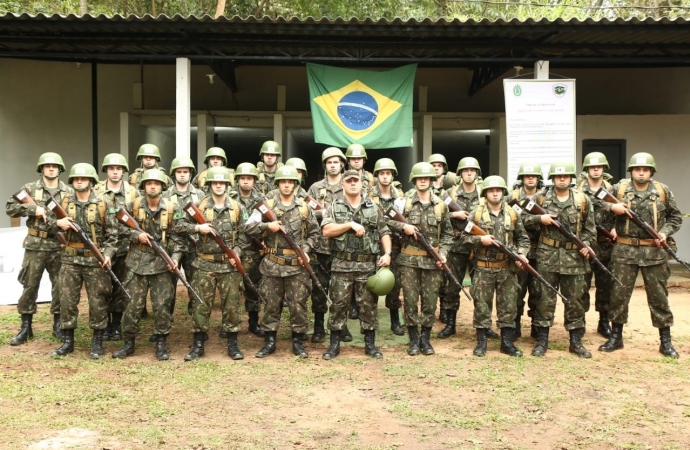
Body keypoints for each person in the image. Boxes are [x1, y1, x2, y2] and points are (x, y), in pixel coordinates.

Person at [599, 152, 682, 358]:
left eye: (645, 170)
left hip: (653, 251)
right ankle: (616, 337)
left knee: (659, 297)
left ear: (651, 172)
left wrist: (664, 233)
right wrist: (613, 206)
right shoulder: (619, 189)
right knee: (618, 295)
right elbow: (596, 200)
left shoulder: (662, 191)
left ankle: (666, 341)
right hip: (624, 251)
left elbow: (675, 217)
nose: (641, 173)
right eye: (638, 169)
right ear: (632, 171)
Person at [245, 165, 320, 358]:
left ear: (296, 184)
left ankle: (298, 341)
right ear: (278, 183)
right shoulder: (265, 205)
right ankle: (270, 341)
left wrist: (306, 250)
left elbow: (315, 233)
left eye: (290, 182)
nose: (286, 185)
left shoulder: (304, 207)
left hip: (296, 265)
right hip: (272, 264)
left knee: (298, 304)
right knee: (271, 304)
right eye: (283, 182)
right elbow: (249, 228)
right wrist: (267, 225)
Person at [523, 161, 596, 358]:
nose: (562, 179)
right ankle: (542, 340)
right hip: (548, 256)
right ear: (553, 179)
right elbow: (521, 219)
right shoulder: (541, 198)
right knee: (544, 298)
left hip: (574, 257)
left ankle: (575, 341)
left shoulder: (582, 200)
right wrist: (540, 219)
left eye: (565, 176)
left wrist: (587, 244)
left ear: (571, 178)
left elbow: (590, 229)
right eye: (558, 176)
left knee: (575, 299)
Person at [112, 169, 185, 361]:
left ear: (162, 187)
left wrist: (175, 258)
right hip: (137, 263)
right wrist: (137, 235)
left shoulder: (172, 209)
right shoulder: (133, 205)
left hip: (162, 264)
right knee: (132, 305)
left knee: (162, 306)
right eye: (149, 183)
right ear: (144, 186)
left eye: (156, 183)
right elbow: (119, 227)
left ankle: (161, 342)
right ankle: (128, 343)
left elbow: (179, 237)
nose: (152, 186)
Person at [180, 166, 250, 361]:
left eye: (222, 183)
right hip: (204, 264)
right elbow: (178, 226)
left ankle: (233, 344)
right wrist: (197, 227)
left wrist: (236, 252)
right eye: (215, 183)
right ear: (210, 185)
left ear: (227, 185)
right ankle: (198, 344)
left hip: (229, 266)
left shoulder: (237, 207)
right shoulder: (198, 206)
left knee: (231, 306)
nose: (219, 186)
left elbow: (246, 235)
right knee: (200, 305)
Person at [321, 170, 392, 360]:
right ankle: (334, 344)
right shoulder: (334, 207)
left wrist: (387, 253)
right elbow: (327, 230)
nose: (353, 184)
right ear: (342, 184)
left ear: (362, 184)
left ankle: (370, 344)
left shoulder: (373, 208)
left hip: (366, 266)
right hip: (341, 265)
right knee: (338, 305)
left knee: (368, 305)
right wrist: (349, 224)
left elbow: (384, 231)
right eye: (349, 181)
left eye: (356, 181)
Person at [51, 163, 118, 358]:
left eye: (84, 178)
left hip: (94, 260)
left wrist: (108, 254)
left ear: (91, 181)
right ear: (72, 181)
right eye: (76, 179)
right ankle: (67, 341)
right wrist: (57, 223)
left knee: (98, 300)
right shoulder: (62, 202)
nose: (79, 181)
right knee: (67, 300)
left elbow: (114, 236)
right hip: (70, 258)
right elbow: (46, 223)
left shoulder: (104, 203)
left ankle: (97, 341)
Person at [5, 152, 72, 345]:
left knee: (60, 286)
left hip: (58, 245)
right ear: (41, 168)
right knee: (30, 285)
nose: (51, 168)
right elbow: (10, 207)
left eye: (54, 166)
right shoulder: (30, 189)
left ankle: (58, 325)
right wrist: (33, 209)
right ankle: (26, 327)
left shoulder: (68, 192)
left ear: (60, 169)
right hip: (35, 245)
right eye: (47, 165)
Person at [462, 176, 530, 357]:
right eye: (491, 190)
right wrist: (480, 239)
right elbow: (463, 239)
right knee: (482, 305)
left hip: (506, 267)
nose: (494, 193)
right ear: (485, 193)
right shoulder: (475, 213)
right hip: (483, 267)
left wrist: (522, 254)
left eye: (498, 190)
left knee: (508, 306)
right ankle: (481, 343)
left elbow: (523, 238)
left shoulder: (513, 214)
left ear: (503, 193)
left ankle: (506, 343)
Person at [396, 162, 453, 356]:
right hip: (409, 260)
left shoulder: (441, 205)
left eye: (426, 178)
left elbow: (447, 234)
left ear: (431, 180)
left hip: (432, 261)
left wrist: (443, 252)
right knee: (410, 301)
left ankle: (426, 339)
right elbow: (386, 220)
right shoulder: (403, 202)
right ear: (414, 180)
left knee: (430, 301)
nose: (422, 181)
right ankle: (413, 339)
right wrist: (403, 227)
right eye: (419, 178)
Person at [439, 157, 499, 339]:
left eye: (472, 170)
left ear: (477, 173)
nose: (469, 173)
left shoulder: (484, 193)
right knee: (452, 287)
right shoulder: (449, 194)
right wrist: (452, 214)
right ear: (460, 174)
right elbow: (437, 216)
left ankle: (484, 325)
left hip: (480, 247)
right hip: (457, 246)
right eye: (465, 171)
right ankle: (450, 324)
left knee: (481, 289)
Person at [94, 153, 140, 342]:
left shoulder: (133, 192)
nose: (115, 172)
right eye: (111, 168)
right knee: (102, 287)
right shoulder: (96, 192)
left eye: (118, 169)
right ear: (106, 170)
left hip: (125, 246)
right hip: (101, 247)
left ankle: (116, 325)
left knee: (121, 286)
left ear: (123, 171)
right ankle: (103, 324)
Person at [306, 147, 350, 343]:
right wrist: (323, 214)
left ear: (342, 164)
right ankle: (318, 326)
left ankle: (343, 326)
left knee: (343, 289)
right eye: (329, 162)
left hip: (343, 247)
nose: (333, 165)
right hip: (321, 247)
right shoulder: (315, 188)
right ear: (325, 165)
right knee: (319, 288)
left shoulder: (349, 185)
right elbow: (306, 214)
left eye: (336, 162)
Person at [577, 152, 616, 338]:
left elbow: (622, 211)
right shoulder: (578, 190)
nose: (596, 169)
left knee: (605, 285)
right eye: (592, 167)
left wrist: (616, 228)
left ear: (604, 169)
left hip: (605, 245)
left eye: (599, 166)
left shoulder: (612, 190)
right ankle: (580, 321)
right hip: (585, 245)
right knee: (581, 285)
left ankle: (603, 321)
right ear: (586, 169)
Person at [369, 158, 405, 336]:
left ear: (392, 175)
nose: (385, 177)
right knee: (372, 284)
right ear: (376, 176)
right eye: (381, 173)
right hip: (373, 246)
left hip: (395, 246)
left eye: (388, 173)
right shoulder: (368, 196)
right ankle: (370, 322)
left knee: (394, 284)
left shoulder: (400, 198)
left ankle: (395, 320)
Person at [509, 162, 543, 339]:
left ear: (538, 178)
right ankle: (514, 325)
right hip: (519, 252)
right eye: (527, 176)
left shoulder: (545, 197)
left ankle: (537, 326)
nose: (530, 178)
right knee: (517, 291)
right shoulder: (512, 196)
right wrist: (537, 219)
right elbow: (510, 219)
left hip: (541, 251)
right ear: (521, 178)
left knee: (538, 292)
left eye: (534, 176)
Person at [165, 157, 202, 317]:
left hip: (194, 247)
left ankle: (196, 320)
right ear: (174, 174)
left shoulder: (199, 195)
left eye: (185, 172)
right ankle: (165, 321)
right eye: (179, 172)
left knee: (195, 285)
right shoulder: (166, 195)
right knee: (167, 286)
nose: (182, 175)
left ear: (190, 174)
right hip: (171, 247)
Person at [233, 163, 267, 338]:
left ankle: (253, 322)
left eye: (249, 178)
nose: (246, 181)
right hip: (233, 249)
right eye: (243, 178)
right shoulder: (229, 197)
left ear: (254, 180)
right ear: (238, 179)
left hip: (253, 250)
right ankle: (230, 324)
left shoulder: (262, 200)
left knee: (253, 287)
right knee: (231, 290)